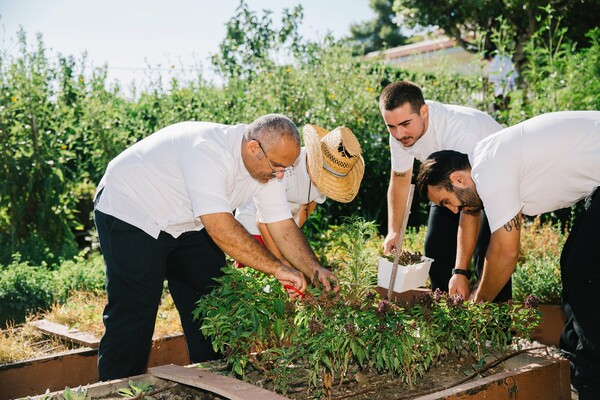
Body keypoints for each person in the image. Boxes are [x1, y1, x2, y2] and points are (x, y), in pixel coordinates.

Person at [93, 114, 339, 381]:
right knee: (135, 311)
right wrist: (277, 268)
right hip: (132, 210)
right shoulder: (207, 151)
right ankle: (116, 390)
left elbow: (282, 225)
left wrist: (315, 269)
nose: (280, 175)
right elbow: (221, 227)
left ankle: (214, 381)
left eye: (286, 169)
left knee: (213, 301)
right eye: (277, 166)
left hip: (186, 221)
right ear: (253, 148)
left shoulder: (267, 170)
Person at [415, 110, 600, 399]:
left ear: (458, 179)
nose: (452, 211)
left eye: (447, 201)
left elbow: (504, 251)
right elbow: (478, 221)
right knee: (574, 264)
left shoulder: (490, 168)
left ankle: (591, 383)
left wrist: (479, 305)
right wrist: (460, 273)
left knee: (583, 269)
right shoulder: (486, 160)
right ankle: (578, 364)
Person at [379, 80, 510, 301]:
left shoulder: (459, 131)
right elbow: (400, 180)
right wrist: (394, 231)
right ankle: (448, 324)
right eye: (391, 126)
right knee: (436, 249)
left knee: (487, 255)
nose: (399, 134)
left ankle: (497, 331)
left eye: (405, 124)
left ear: (424, 111)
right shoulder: (399, 133)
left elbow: (470, 208)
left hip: (494, 182)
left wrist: (460, 271)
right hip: (447, 183)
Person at [235, 124, 364, 266]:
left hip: (281, 230)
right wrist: (282, 262)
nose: (325, 182)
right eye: (325, 175)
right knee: (257, 276)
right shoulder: (285, 167)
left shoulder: (327, 178)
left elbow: (306, 209)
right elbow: (262, 221)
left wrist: (290, 250)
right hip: (253, 229)